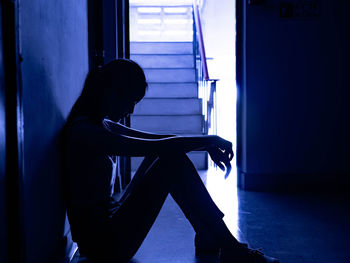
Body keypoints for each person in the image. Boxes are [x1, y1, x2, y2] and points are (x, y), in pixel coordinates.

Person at [63, 59, 279, 263]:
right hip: (104, 246)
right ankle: (234, 250)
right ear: (112, 92)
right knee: (172, 161)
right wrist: (210, 140)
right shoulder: (85, 132)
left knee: (167, 155)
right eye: (130, 101)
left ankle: (207, 234)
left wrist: (207, 144)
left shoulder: (101, 124)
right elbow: (162, 146)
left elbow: (161, 140)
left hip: (111, 224)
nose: (131, 110)